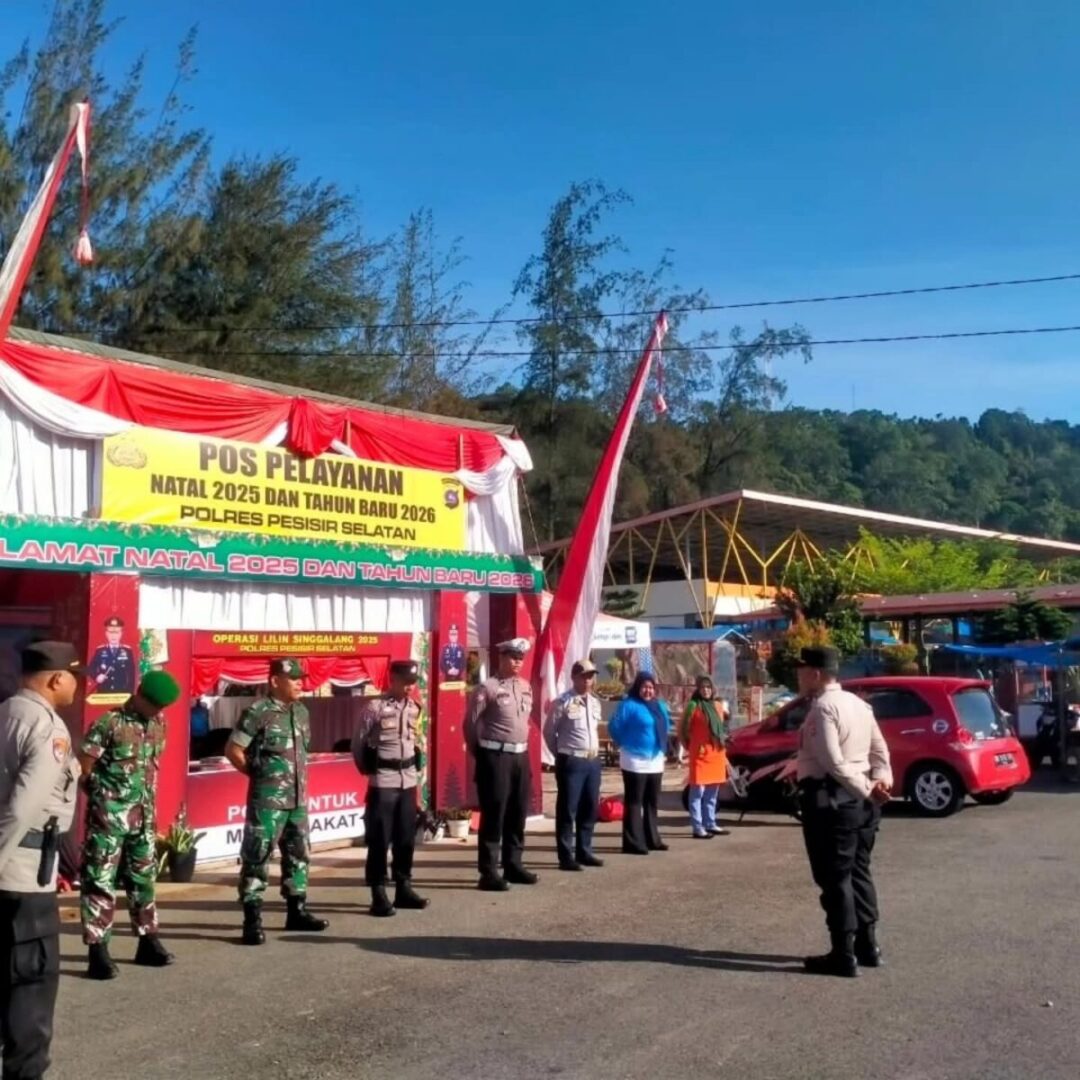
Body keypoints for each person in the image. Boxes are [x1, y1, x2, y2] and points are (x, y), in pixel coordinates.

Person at [0, 642, 81, 1078]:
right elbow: (22, 809)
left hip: (15, 871)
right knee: (30, 991)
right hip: (23, 878)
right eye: (74, 676)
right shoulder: (47, 727)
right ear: (56, 679)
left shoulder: (5, 712)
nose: (76, 685)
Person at [795, 646, 892, 978]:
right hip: (861, 803)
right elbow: (880, 751)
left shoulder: (824, 708)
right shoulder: (859, 704)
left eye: (802, 671)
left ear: (816, 674)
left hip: (833, 804)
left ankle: (843, 953)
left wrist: (868, 788)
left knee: (835, 877)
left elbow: (833, 763)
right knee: (859, 871)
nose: (798, 677)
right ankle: (868, 945)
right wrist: (881, 782)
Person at [80, 669, 181, 980]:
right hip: (109, 818)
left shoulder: (159, 723)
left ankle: (147, 941)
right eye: (152, 704)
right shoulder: (109, 723)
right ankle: (98, 951)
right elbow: (85, 766)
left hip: (143, 817)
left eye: (160, 707)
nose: (156, 710)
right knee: (100, 880)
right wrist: (103, 801)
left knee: (143, 879)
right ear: (138, 694)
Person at [225, 658, 329, 945]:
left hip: (298, 800)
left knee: (299, 854)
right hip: (267, 802)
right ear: (274, 681)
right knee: (257, 857)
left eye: (300, 678)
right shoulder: (258, 712)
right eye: (293, 678)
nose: (300, 683)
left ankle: (297, 911)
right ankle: (252, 921)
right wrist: (258, 776)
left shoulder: (302, 711)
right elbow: (233, 749)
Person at [352, 659, 429, 917]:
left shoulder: (415, 708)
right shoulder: (375, 708)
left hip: (407, 781)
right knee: (379, 839)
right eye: (405, 682)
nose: (409, 688)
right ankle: (378, 892)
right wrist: (369, 771)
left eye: (412, 683)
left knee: (406, 838)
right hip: (383, 781)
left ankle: (403, 888)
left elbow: (416, 742)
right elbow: (358, 744)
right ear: (392, 680)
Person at [465, 638, 537, 891]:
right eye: (513, 657)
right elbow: (470, 725)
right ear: (501, 657)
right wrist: (482, 753)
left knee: (517, 813)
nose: (517, 662)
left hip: (520, 756)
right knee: (494, 813)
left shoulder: (525, 687)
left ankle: (513, 864)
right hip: (495, 757)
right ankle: (488, 872)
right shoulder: (488, 688)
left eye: (520, 658)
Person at [543, 658, 604, 872]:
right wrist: (561, 755)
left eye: (591, 676)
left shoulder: (595, 702)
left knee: (590, 807)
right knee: (568, 809)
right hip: (572, 760)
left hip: (592, 760)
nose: (588, 680)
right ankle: (566, 856)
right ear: (574, 677)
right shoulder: (562, 702)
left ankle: (584, 850)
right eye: (584, 676)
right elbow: (549, 732)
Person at [608, 673, 671, 855]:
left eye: (650, 687)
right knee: (635, 802)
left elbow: (666, 725)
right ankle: (633, 842)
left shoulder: (659, 705)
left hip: (655, 759)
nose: (647, 690)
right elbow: (614, 726)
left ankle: (652, 839)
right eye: (644, 687)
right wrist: (626, 743)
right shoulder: (628, 705)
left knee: (652, 801)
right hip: (634, 760)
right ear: (637, 687)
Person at [680, 676, 730, 839]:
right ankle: (697, 827)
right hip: (700, 755)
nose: (706, 690)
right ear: (698, 689)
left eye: (708, 687)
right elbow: (683, 729)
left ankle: (710, 823)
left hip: (716, 753)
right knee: (697, 792)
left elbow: (722, 727)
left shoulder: (717, 706)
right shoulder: (693, 706)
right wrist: (690, 746)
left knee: (712, 792)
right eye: (702, 687)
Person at [87, 615, 136, 695]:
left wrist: (130, 694)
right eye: (110, 632)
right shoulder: (100, 650)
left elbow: (131, 675)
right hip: (103, 691)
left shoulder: (127, 651)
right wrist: (97, 676)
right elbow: (91, 669)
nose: (113, 636)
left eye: (116, 632)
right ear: (106, 633)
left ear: (121, 633)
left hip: (121, 692)